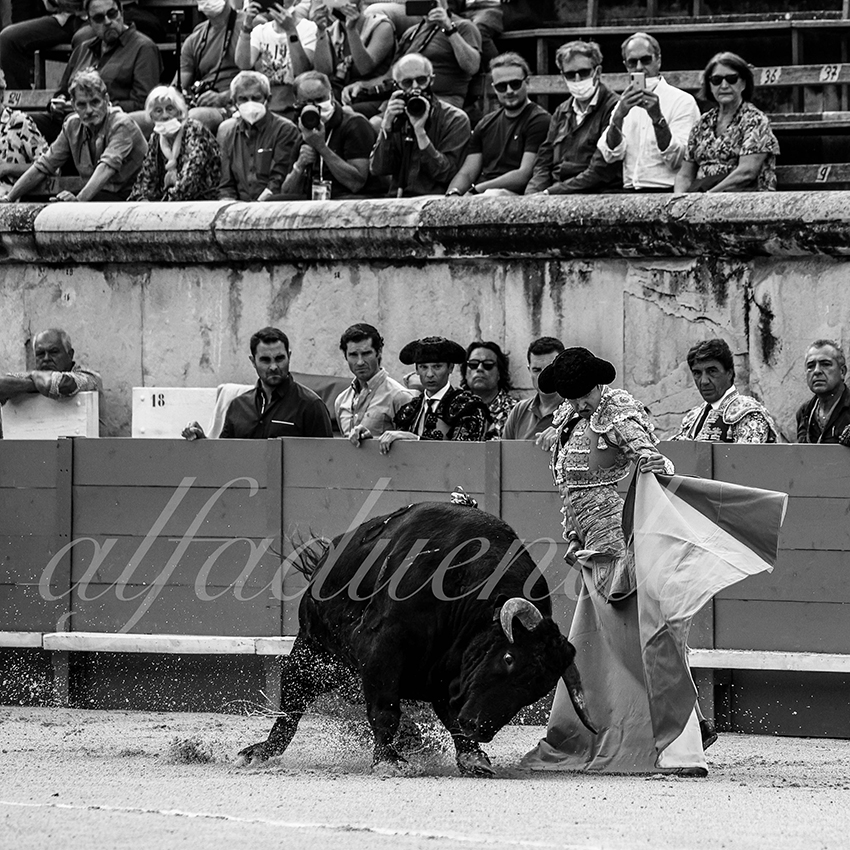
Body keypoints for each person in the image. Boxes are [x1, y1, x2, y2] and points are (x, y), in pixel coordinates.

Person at [520, 347, 710, 777]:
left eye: (583, 395)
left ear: (598, 385)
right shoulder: (571, 416)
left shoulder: (618, 410)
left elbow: (652, 458)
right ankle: (669, 725)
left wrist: (655, 463)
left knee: (636, 640)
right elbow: (573, 477)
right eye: (569, 397)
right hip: (590, 544)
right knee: (609, 642)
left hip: (617, 545)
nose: (577, 404)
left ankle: (683, 739)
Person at [1, 68, 147, 202]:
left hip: (135, 198)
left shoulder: (122, 125)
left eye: (95, 102)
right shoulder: (72, 126)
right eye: (82, 104)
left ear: (106, 100)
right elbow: (44, 165)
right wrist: (9, 198)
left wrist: (77, 202)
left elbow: (106, 168)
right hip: (100, 197)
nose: (89, 110)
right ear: (73, 105)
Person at [32, 0, 161, 143]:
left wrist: (99, 105)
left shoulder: (143, 48)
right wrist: (57, 104)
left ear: (121, 13)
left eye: (112, 14)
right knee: (21, 122)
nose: (108, 22)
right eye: (99, 18)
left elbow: (144, 104)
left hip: (111, 126)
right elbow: (62, 92)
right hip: (71, 123)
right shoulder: (83, 49)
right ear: (90, 23)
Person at [182, 327, 333, 440]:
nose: (273, 367)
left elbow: (327, 460)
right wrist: (201, 441)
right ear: (253, 361)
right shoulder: (238, 406)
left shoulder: (311, 405)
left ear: (289, 356)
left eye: (279, 358)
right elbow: (224, 456)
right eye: (265, 360)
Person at [597, 32, 699, 192]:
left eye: (645, 60)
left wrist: (657, 118)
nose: (639, 67)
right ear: (626, 65)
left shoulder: (682, 101)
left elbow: (679, 159)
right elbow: (610, 154)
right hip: (630, 190)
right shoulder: (623, 103)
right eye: (632, 62)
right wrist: (618, 117)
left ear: (658, 60)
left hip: (667, 189)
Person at [445, 52, 550, 197]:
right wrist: (453, 194)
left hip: (515, 196)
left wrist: (477, 189)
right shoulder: (485, 124)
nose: (509, 91)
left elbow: (524, 174)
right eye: (501, 86)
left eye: (515, 84)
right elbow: (467, 173)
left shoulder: (539, 120)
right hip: (481, 193)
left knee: (492, 195)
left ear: (527, 82)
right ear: (494, 88)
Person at [525, 40, 622, 195]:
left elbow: (602, 170)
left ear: (597, 72)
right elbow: (544, 161)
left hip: (596, 193)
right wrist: (532, 193)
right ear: (563, 76)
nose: (577, 79)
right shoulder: (561, 111)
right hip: (555, 191)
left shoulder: (614, 108)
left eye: (584, 72)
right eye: (570, 75)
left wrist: (549, 192)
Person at [674, 52, 780, 193]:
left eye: (732, 79)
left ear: (743, 83)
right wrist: (679, 199)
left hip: (744, 199)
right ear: (709, 85)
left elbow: (746, 173)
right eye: (716, 80)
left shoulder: (755, 120)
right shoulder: (702, 123)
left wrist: (708, 196)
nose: (724, 85)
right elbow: (685, 175)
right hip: (701, 197)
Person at [345, 0, 480, 110]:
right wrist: (363, 85)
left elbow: (472, 67)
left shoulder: (463, 27)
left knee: (378, 123)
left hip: (441, 102)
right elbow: (392, 74)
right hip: (404, 99)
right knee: (349, 113)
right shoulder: (411, 33)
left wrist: (449, 28)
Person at [369, 53, 470, 197]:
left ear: (431, 80)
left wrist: (420, 133)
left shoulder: (454, 119)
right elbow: (378, 169)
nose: (415, 87)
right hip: (398, 199)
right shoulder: (396, 117)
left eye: (421, 80)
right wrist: (386, 127)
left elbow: (447, 174)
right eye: (407, 83)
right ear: (397, 85)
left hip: (435, 199)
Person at [279, 70, 379, 198]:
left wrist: (322, 148)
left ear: (331, 96)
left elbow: (356, 183)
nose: (315, 106)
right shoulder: (305, 129)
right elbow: (287, 192)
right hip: (319, 201)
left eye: (319, 99)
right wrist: (299, 165)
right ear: (298, 103)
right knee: (273, 202)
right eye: (307, 102)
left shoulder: (355, 124)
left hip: (354, 200)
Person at [380, 335, 490, 452]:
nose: (430, 374)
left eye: (437, 367)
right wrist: (370, 440)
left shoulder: (468, 407)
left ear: (450, 368)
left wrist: (416, 440)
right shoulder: (410, 409)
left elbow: (463, 453)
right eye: (423, 367)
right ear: (416, 370)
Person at [0, 327, 102, 437]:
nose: (46, 358)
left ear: (70, 354)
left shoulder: (90, 378)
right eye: (40, 354)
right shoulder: (35, 377)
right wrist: (36, 382)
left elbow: (61, 384)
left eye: (54, 352)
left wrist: (32, 378)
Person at [673, 338, 778, 443]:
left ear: (729, 373)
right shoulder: (692, 418)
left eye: (712, 371)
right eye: (697, 373)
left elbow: (747, 453)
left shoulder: (749, 413)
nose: (704, 381)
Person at [218, 70, 300, 201]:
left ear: (268, 99)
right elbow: (226, 185)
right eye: (243, 99)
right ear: (234, 102)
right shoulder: (229, 133)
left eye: (256, 98)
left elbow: (278, 180)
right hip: (239, 207)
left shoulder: (285, 130)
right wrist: (229, 204)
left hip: (273, 205)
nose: (250, 104)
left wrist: (257, 207)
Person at [129, 85, 221, 202]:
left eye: (170, 109)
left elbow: (191, 178)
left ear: (179, 111)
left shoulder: (194, 130)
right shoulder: (157, 137)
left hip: (201, 200)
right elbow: (146, 178)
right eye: (158, 111)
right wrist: (143, 199)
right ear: (152, 116)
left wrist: (163, 204)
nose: (165, 115)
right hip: (171, 201)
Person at [333, 321, 414, 446]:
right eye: (353, 355)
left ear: (379, 352)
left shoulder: (399, 396)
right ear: (345, 356)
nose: (360, 362)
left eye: (366, 354)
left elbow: (414, 448)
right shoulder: (342, 400)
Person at [235, 0, 316, 119]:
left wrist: (290, 30)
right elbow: (243, 64)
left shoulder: (308, 28)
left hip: (295, 105)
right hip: (265, 105)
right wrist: (246, 27)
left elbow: (302, 71)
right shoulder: (260, 31)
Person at [311, 0, 395, 103]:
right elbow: (323, 74)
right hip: (340, 96)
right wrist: (321, 31)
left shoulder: (381, 26)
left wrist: (351, 29)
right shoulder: (332, 31)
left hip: (372, 96)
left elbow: (365, 68)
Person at [181, 0, 245, 134]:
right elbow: (179, 84)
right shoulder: (195, 37)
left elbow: (262, 79)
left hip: (237, 104)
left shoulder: (250, 25)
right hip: (202, 103)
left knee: (193, 119)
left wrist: (224, 96)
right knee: (139, 120)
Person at [0, 0, 87, 92]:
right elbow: (50, 6)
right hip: (66, 18)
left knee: (85, 40)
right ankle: (21, 98)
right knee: (7, 39)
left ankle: (79, 95)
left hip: (92, 21)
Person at [501, 336, 564, 442]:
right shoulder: (519, 410)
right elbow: (503, 450)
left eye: (550, 370)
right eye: (537, 370)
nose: (544, 376)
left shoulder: (577, 410)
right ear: (529, 370)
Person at [0, 67, 48, 196]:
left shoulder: (19, 122)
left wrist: (7, 168)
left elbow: (50, 165)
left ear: (1, 94)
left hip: (6, 201)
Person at [795, 339, 850, 445]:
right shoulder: (804, 412)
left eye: (825, 364)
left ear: (842, 372)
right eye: (810, 366)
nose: (817, 371)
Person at [459, 339, 515, 437]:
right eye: (473, 364)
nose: (479, 369)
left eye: (488, 365)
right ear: (465, 373)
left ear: (499, 373)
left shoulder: (515, 411)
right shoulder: (455, 408)